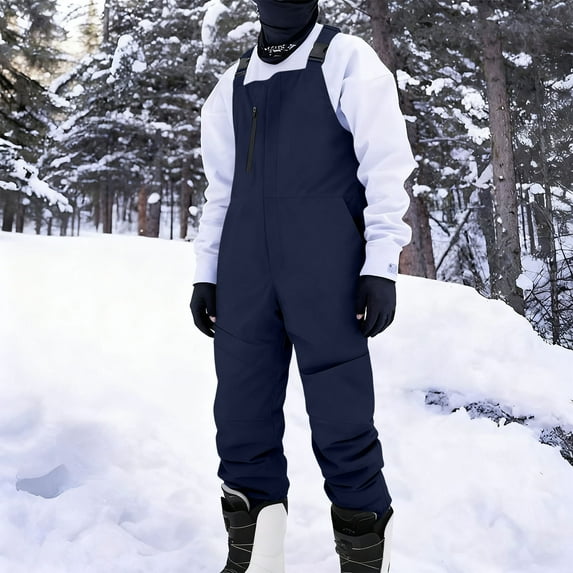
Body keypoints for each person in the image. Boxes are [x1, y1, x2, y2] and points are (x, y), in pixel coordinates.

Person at [190, 1, 416, 571]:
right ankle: (256, 559)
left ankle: (364, 561)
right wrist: (206, 272)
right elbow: (220, 191)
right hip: (244, 275)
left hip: (327, 271)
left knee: (343, 422)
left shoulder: (346, 60)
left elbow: (386, 167)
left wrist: (380, 263)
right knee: (240, 418)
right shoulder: (231, 83)